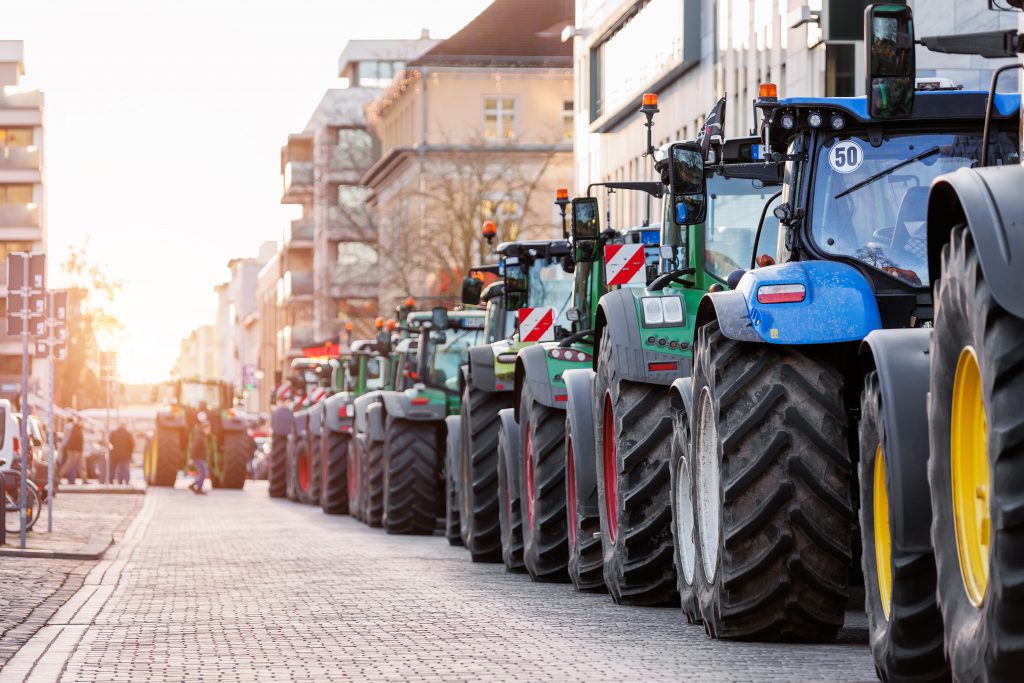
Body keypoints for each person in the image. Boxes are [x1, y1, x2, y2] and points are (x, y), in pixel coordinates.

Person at [58, 418, 85, 485]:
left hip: (78, 449)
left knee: (81, 465)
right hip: (74, 450)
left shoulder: (78, 428)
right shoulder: (74, 428)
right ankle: (58, 477)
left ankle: (84, 479)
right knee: (69, 465)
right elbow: (71, 440)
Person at [109, 421, 135, 485]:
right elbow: (132, 444)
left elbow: (110, 443)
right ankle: (126, 481)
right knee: (125, 469)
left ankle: (113, 481)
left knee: (113, 469)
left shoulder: (113, 433)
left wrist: (111, 452)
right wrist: (130, 453)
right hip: (125, 455)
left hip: (114, 454)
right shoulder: (128, 434)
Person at [190, 413, 210, 495]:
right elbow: (194, 448)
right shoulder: (200, 437)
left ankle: (195, 486)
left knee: (203, 473)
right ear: (204, 429)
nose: (209, 430)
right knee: (203, 473)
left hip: (199, 458)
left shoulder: (201, 436)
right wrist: (192, 458)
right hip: (198, 458)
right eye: (208, 429)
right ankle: (197, 488)